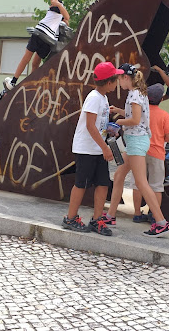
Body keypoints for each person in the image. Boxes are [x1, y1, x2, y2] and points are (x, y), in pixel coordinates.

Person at [105, 64, 169, 237]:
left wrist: (116, 123)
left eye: (119, 78)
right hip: (138, 140)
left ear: (125, 78)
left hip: (135, 141)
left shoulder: (134, 94)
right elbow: (138, 116)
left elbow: (134, 120)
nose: (118, 81)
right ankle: (110, 215)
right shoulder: (138, 93)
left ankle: (161, 222)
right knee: (119, 176)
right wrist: (119, 111)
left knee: (141, 182)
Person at [61, 62, 121, 236]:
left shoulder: (102, 97)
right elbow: (89, 126)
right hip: (87, 148)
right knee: (81, 183)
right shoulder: (94, 97)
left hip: (98, 148)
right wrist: (106, 148)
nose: (116, 83)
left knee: (103, 183)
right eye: (115, 79)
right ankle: (70, 218)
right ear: (109, 82)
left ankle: (96, 220)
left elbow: (97, 124)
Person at [5, 0, 70, 90]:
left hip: (41, 33)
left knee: (26, 57)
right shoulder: (55, 6)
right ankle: (33, 83)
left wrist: (58, 4)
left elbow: (67, 17)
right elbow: (65, 20)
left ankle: (14, 81)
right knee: (35, 62)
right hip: (48, 37)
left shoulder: (58, 5)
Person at [132, 83, 169, 224]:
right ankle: (155, 215)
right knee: (156, 186)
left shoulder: (140, 112)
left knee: (138, 183)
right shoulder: (164, 115)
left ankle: (137, 213)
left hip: (139, 151)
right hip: (157, 153)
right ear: (161, 99)